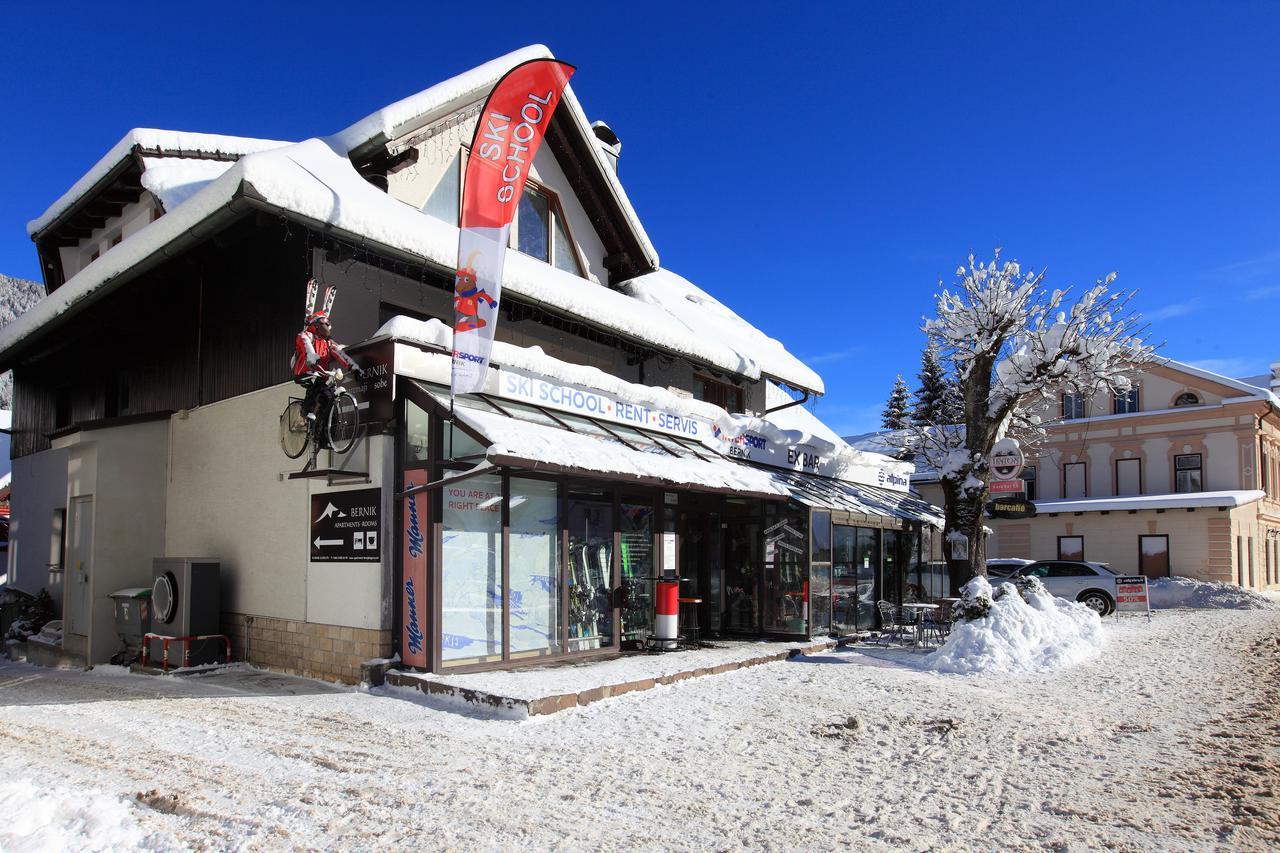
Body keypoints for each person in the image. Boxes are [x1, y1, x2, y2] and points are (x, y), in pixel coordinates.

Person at [292, 310, 365, 448]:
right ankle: (305, 412)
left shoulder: (329, 343)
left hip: (321, 374)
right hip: (305, 372)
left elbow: (340, 354)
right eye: (325, 323)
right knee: (315, 388)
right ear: (317, 324)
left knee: (329, 399)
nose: (328, 326)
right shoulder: (306, 335)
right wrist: (312, 358)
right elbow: (306, 346)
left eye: (329, 324)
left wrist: (353, 368)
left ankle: (323, 439)